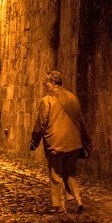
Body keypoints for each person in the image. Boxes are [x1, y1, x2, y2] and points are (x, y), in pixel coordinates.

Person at [30, 70, 88, 214]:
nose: (45, 86)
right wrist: (86, 138)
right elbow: (81, 120)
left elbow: (41, 123)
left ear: (53, 83)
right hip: (73, 142)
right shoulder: (72, 97)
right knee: (71, 173)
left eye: (46, 83)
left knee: (56, 174)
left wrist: (34, 141)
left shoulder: (47, 100)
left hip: (55, 142)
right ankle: (78, 200)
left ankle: (59, 206)